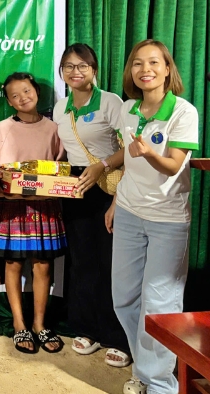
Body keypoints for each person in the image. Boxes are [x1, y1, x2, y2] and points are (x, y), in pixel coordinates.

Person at [106, 40, 199, 394]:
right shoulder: (128, 109)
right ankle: (146, 371)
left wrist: (148, 153)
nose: (145, 69)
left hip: (167, 220)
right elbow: (128, 160)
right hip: (129, 212)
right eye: (137, 63)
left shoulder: (183, 111)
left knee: (160, 305)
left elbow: (174, 165)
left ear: (167, 68)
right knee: (124, 298)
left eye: (154, 62)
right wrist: (115, 200)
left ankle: (160, 384)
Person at [52, 44, 130, 367]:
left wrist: (103, 166)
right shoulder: (60, 108)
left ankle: (118, 337)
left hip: (109, 186)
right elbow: (65, 149)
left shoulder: (111, 102)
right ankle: (87, 329)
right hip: (76, 188)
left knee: (112, 264)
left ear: (94, 70)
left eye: (82, 66)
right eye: (69, 66)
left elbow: (130, 148)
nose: (76, 72)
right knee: (82, 261)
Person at [0, 72, 67, 354]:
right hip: (12, 205)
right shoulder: (2, 128)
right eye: (15, 95)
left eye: (27, 91)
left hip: (44, 204)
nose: (23, 98)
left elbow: (62, 165)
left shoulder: (54, 128)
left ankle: (40, 324)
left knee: (43, 265)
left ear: (37, 92)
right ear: (9, 101)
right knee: (13, 264)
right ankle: (19, 324)